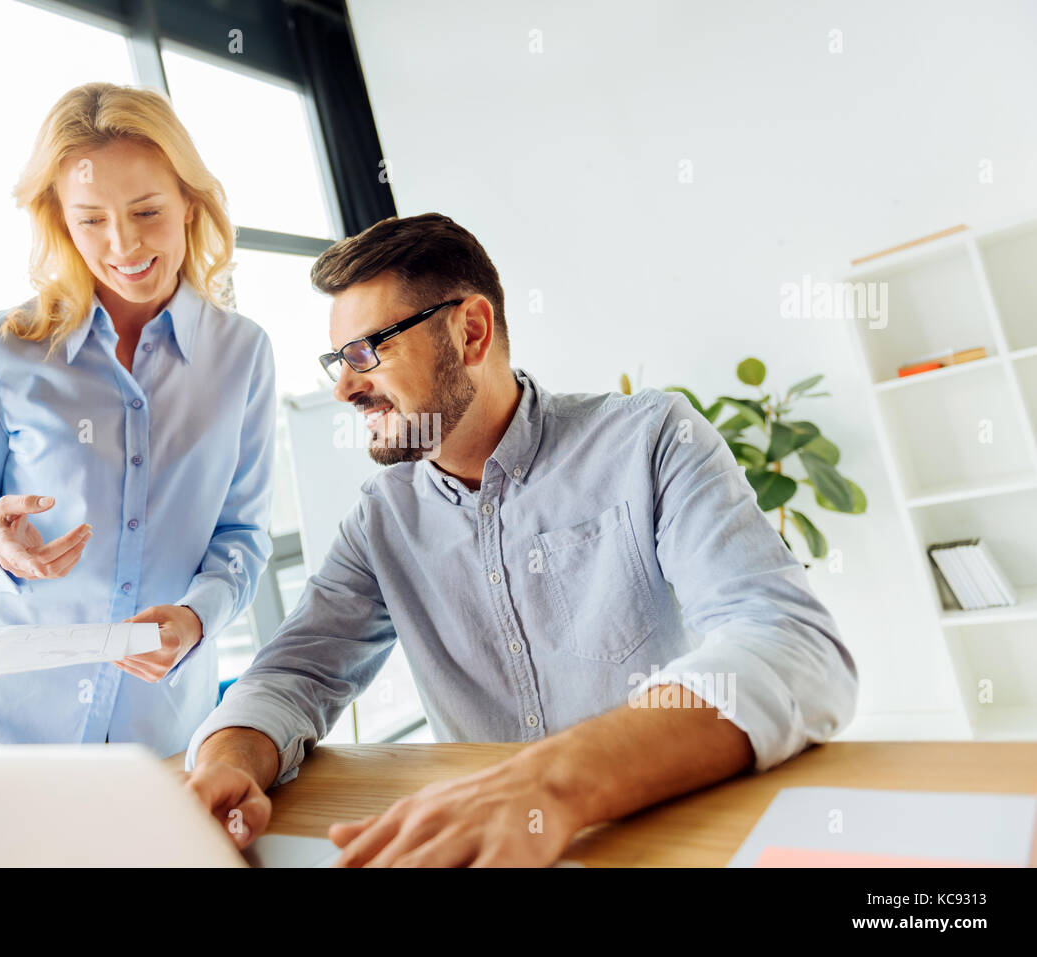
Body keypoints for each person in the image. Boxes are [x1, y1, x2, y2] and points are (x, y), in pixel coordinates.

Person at [183, 212, 858, 865]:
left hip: (665, 835)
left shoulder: (649, 439)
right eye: (337, 358)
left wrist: (549, 782)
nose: (345, 387)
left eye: (367, 351)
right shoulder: (382, 519)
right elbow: (291, 673)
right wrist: (227, 763)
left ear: (471, 332)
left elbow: (791, 644)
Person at [0, 83, 276, 757]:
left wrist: (196, 619)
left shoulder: (243, 354)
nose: (124, 244)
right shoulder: (3, 349)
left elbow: (241, 537)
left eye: (147, 211)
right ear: (59, 220)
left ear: (191, 204)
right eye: (91, 221)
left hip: (164, 728)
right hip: (8, 723)